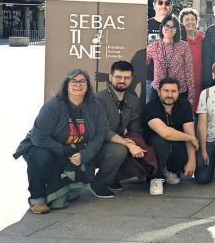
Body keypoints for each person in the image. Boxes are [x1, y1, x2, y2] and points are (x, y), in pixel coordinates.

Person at [13, 69, 107, 214]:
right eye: (74, 81)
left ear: (88, 85)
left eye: (82, 81)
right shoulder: (54, 105)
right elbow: (38, 137)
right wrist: (64, 150)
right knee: (41, 157)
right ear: (66, 85)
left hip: (76, 148)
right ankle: (37, 197)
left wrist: (85, 154)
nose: (78, 85)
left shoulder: (95, 106)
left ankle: (67, 189)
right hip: (45, 146)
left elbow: (100, 134)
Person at [90, 61, 156, 198]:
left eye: (126, 78)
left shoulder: (133, 101)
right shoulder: (98, 99)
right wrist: (127, 144)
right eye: (118, 77)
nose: (122, 81)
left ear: (131, 79)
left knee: (141, 151)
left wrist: (135, 144)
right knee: (120, 151)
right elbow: (102, 131)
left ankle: (112, 176)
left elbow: (135, 130)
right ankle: (99, 183)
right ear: (110, 77)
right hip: (95, 145)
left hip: (118, 141)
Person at [142, 77, 198, 195]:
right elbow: (165, 133)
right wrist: (192, 138)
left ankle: (170, 169)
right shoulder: (150, 107)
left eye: (173, 91)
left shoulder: (184, 105)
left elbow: (189, 132)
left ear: (179, 92)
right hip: (154, 150)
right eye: (166, 91)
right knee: (162, 141)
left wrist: (192, 160)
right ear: (159, 92)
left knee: (201, 164)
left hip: (175, 147)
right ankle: (156, 177)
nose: (170, 95)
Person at [146, 15, 195, 105]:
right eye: (167, 26)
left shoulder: (183, 46)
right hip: (158, 90)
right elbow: (142, 63)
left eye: (173, 27)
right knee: (154, 113)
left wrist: (191, 94)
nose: (170, 30)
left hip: (179, 90)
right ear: (162, 27)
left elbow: (189, 70)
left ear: (177, 30)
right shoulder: (153, 46)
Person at [147, 0, 174, 100]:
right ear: (154, 5)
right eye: (160, 2)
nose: (163, 5)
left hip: (172, 81)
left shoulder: (178, 27)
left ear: (171, 6)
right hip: (150, 79)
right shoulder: (146, 25)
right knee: (150, 109)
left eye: (167, 3)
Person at [180, 8, 205, 108]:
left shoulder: (203, 37)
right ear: (182, 22)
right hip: (185, 81)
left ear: (196, 21)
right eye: (187, 20)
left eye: (193, 19)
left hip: (202, 79)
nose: (190, 22)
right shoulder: (179, 40)